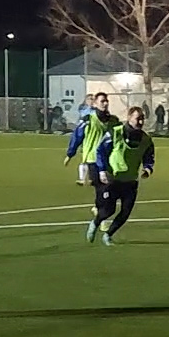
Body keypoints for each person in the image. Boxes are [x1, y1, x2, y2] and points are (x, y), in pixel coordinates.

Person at [89, 107, 155, 245]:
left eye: (142, 119)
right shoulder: (115, 132)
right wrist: (102, 170)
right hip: (113, 179)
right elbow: (100, 151)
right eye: (138, 118)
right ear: (129, 117)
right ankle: (95, 223)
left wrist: (147, 169)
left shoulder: (146, 139)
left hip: (131, 181)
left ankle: (108, 235)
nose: (141, 122)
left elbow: (149, 156)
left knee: (126, 212)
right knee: (108, 210)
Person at [64, 93, 116, 186]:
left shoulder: (113, 121)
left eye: (106, 101)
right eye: (102, 101)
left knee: (111, 188)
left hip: (109, 159)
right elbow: (77, 135)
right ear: (95, 104)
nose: (105, 103)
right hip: (93, 159)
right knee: (102, 188)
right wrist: (70, 154)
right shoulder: (88, 120)